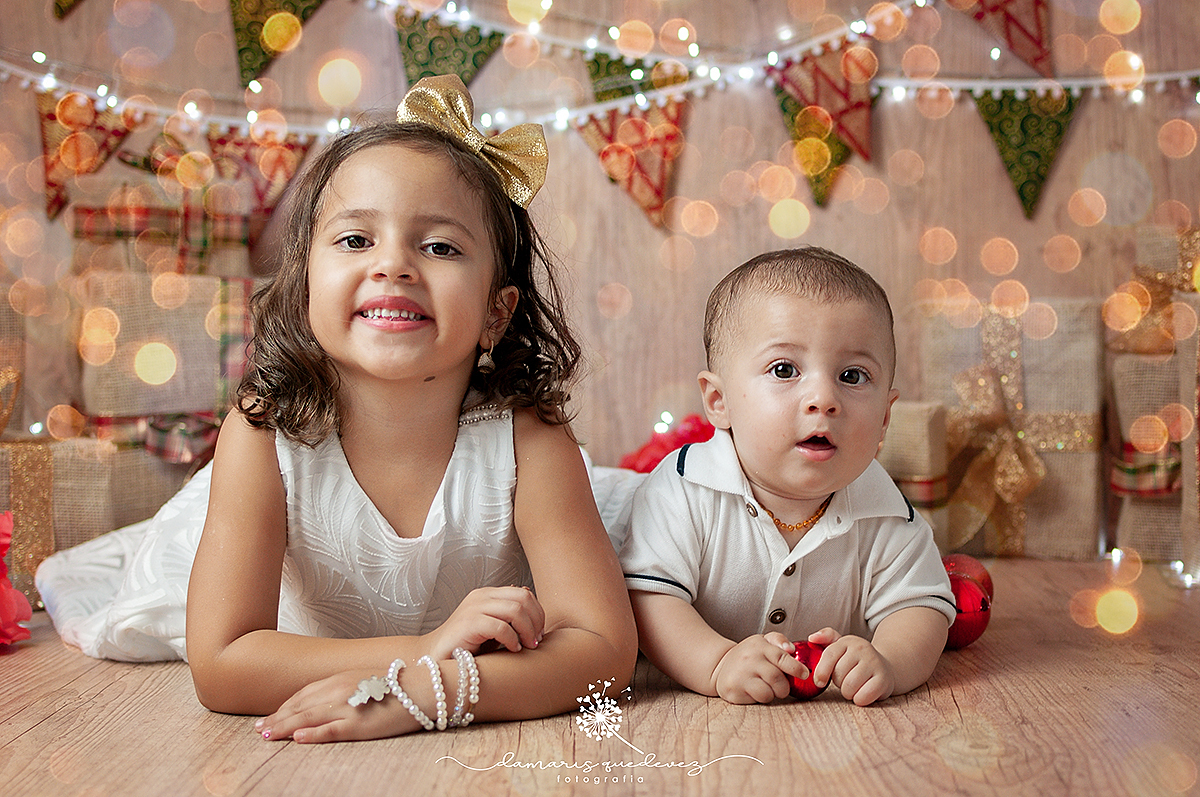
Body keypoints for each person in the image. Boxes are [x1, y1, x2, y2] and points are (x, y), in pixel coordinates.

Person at [36, 75, 637, 742]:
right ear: (303, 291)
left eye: (440, 246)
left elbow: (604, 650)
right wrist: (427, 647)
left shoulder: (531, 438)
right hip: (298, 629)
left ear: (497, 312)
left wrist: (433, 691)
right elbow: (224, 662)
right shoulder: (262, 435)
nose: (394, 265)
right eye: (356, 240)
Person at [619, 247, 955, 707]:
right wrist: (716, 663)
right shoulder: (682, 490)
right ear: (719, 401)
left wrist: (890, 661)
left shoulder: (888, 513)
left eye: (853, 376)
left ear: (885, 416)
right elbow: (646, 600)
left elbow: (923, 608)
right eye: (784, 370)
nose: (823, 398)